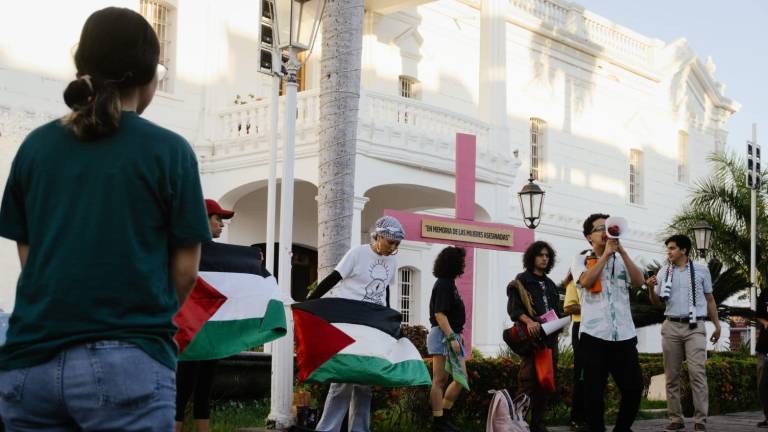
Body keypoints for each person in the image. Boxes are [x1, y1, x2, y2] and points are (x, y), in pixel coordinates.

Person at [0, 7, 210, 431]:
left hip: (28, 363)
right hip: (127, 362)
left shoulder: (35, 147)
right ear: (150, 75)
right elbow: (185, 271)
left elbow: (31, 258)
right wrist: (141, 325)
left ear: (82, 67)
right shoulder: (170, 151)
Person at [307, 215, 405, 432]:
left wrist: (387, 321)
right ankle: (327, 429)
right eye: (390, 242)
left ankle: (360, 429)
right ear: (378, 236)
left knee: (365, 379)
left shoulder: (392, 260)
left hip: (373, 323)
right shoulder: (358, 253)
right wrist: (310, 302)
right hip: (350, 320)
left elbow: (385, 291)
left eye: (397, 244)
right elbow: (334, 277)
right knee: (344, 378)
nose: (393, 248)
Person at [570, 213, 645, 432]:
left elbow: (639, 281)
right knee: (593, 392)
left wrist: (620, 251)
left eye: (608, 227)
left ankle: (622, 429)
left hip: (624, 334)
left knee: (634, 388)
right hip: (594, 335)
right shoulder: (581, 258)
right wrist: (603, 256)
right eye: (599, 228)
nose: (605, 232)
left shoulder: (622, 258)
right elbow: (585, 281)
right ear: (588, 237)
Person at [647, 234, 720, 432]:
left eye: (672, 248)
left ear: (684, 250)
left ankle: (700, 421)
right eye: (668, 248)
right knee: (672, 376)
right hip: (671, 325)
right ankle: (676, 419)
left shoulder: (701, 270)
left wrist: (717, 325)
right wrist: (650, 289)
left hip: (694, 327)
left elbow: (710, 299)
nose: (668, 252)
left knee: (697, 372)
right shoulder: (664, 272)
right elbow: (656, 303)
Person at [174, 199, 235, 432]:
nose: (222, 224)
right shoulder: (186, 248)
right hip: (189, 327)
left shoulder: (219, 255)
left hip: (211, 327)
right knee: (183, 387)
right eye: (217, 219)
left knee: (204, 388)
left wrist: (251, 260)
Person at [507, 240, 563, 432]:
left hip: (549, 340)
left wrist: (561, 322)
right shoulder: (521, 281)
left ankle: (538, 424)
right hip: (532, 341)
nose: (544, 258)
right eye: (541, 255)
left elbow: (557, 310)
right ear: (532, 257)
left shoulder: (550, 284)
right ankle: (516, 423)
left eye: (547, 255)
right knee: (528, 381)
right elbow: (514, 308)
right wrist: (529, 321)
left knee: (545, 382)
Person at [427, 246, 468, 432]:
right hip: (443, 335)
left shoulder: (449, 284)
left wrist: (459, 335)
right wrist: (452, 336)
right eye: (461, 261)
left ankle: (444, 416)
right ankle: (438, 421)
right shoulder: (443, 283)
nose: (463, 264)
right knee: (440, 380)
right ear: (453, 263)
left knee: (461, 378)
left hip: (452, 335)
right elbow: (440, 314)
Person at [562, 270, 585, 432]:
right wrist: (592, 305)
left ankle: (591, 416)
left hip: (599, 330)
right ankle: (576, 418)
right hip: (581, 329)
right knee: (581, 375)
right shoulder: (574, 283)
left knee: (596, 375)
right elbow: (569, 307)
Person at [757, 288, 768, 428]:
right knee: (762, 385)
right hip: (764, 347)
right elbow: (759, 314)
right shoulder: (765, 292)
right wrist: (765, 323)